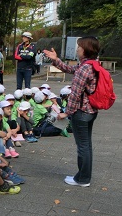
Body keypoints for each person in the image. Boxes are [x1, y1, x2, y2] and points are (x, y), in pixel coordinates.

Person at [43, 36, 100, 187]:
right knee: (86, 145)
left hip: (81, 113)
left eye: (79, 47)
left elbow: (74, 94)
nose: (77, 50)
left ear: (86, 49)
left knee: (83, 146)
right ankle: (83, 176)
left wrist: (66, 113)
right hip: (91, 111)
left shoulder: (84, 68)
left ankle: (82, 179)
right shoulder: (92, 64)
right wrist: (56, 59)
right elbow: (69, 69)